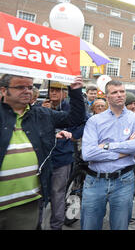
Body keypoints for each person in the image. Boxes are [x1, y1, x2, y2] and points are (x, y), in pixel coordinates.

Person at [0, 74, 85, 230]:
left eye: (30, 87)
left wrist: (75, 91)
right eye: (20, 87)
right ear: (4, 91)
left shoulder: (42, 115)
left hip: (27, 204)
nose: (27, 91)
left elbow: (76, 118)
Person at [81, 80, 135, 230]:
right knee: (90, 226)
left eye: (122, 91)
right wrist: (123, 152)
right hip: (95, 181)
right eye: (114, 92)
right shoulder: (94, 121)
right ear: (107, 96)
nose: (120, 95)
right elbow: (88, 153)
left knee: (121, 226)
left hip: (124, 181)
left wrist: (108, 146)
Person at [41, 81, 86, 230]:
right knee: (40, 194)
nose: (53, 93)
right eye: (51, 90)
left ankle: (56, 225)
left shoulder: (69, 109)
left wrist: (74, 135)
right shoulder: (41, 108)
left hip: (62, 158)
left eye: (56, 90)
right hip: (43, 159)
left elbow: (82, 121)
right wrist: (43, 113)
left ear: (64, 93)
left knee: (58, 193)